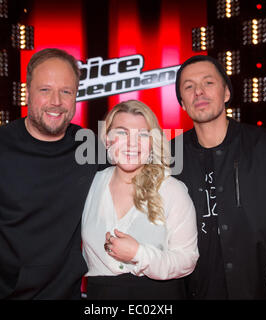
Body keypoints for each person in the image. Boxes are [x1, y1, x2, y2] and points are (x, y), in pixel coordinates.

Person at [0, 48, 98, 299]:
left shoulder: (91, 147)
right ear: (27, 93)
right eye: (45, 90)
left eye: (66, 91)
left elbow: (140, 171)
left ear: (76, 96)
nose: (56, 101)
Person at [172, 55, 266, 299]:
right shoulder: (169, 157)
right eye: (188, 86)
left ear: (226, 93)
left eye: (208, 82)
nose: (199, 92)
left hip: (259, 290)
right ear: (182, 102)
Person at [82, 100, 199, 300]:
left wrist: (139, 254)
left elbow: (187, 260)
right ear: (107, 139)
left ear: (153, 142)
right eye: (121, 132)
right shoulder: (89, 185)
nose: (131, 143)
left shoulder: (172, 190)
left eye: (143, 135)